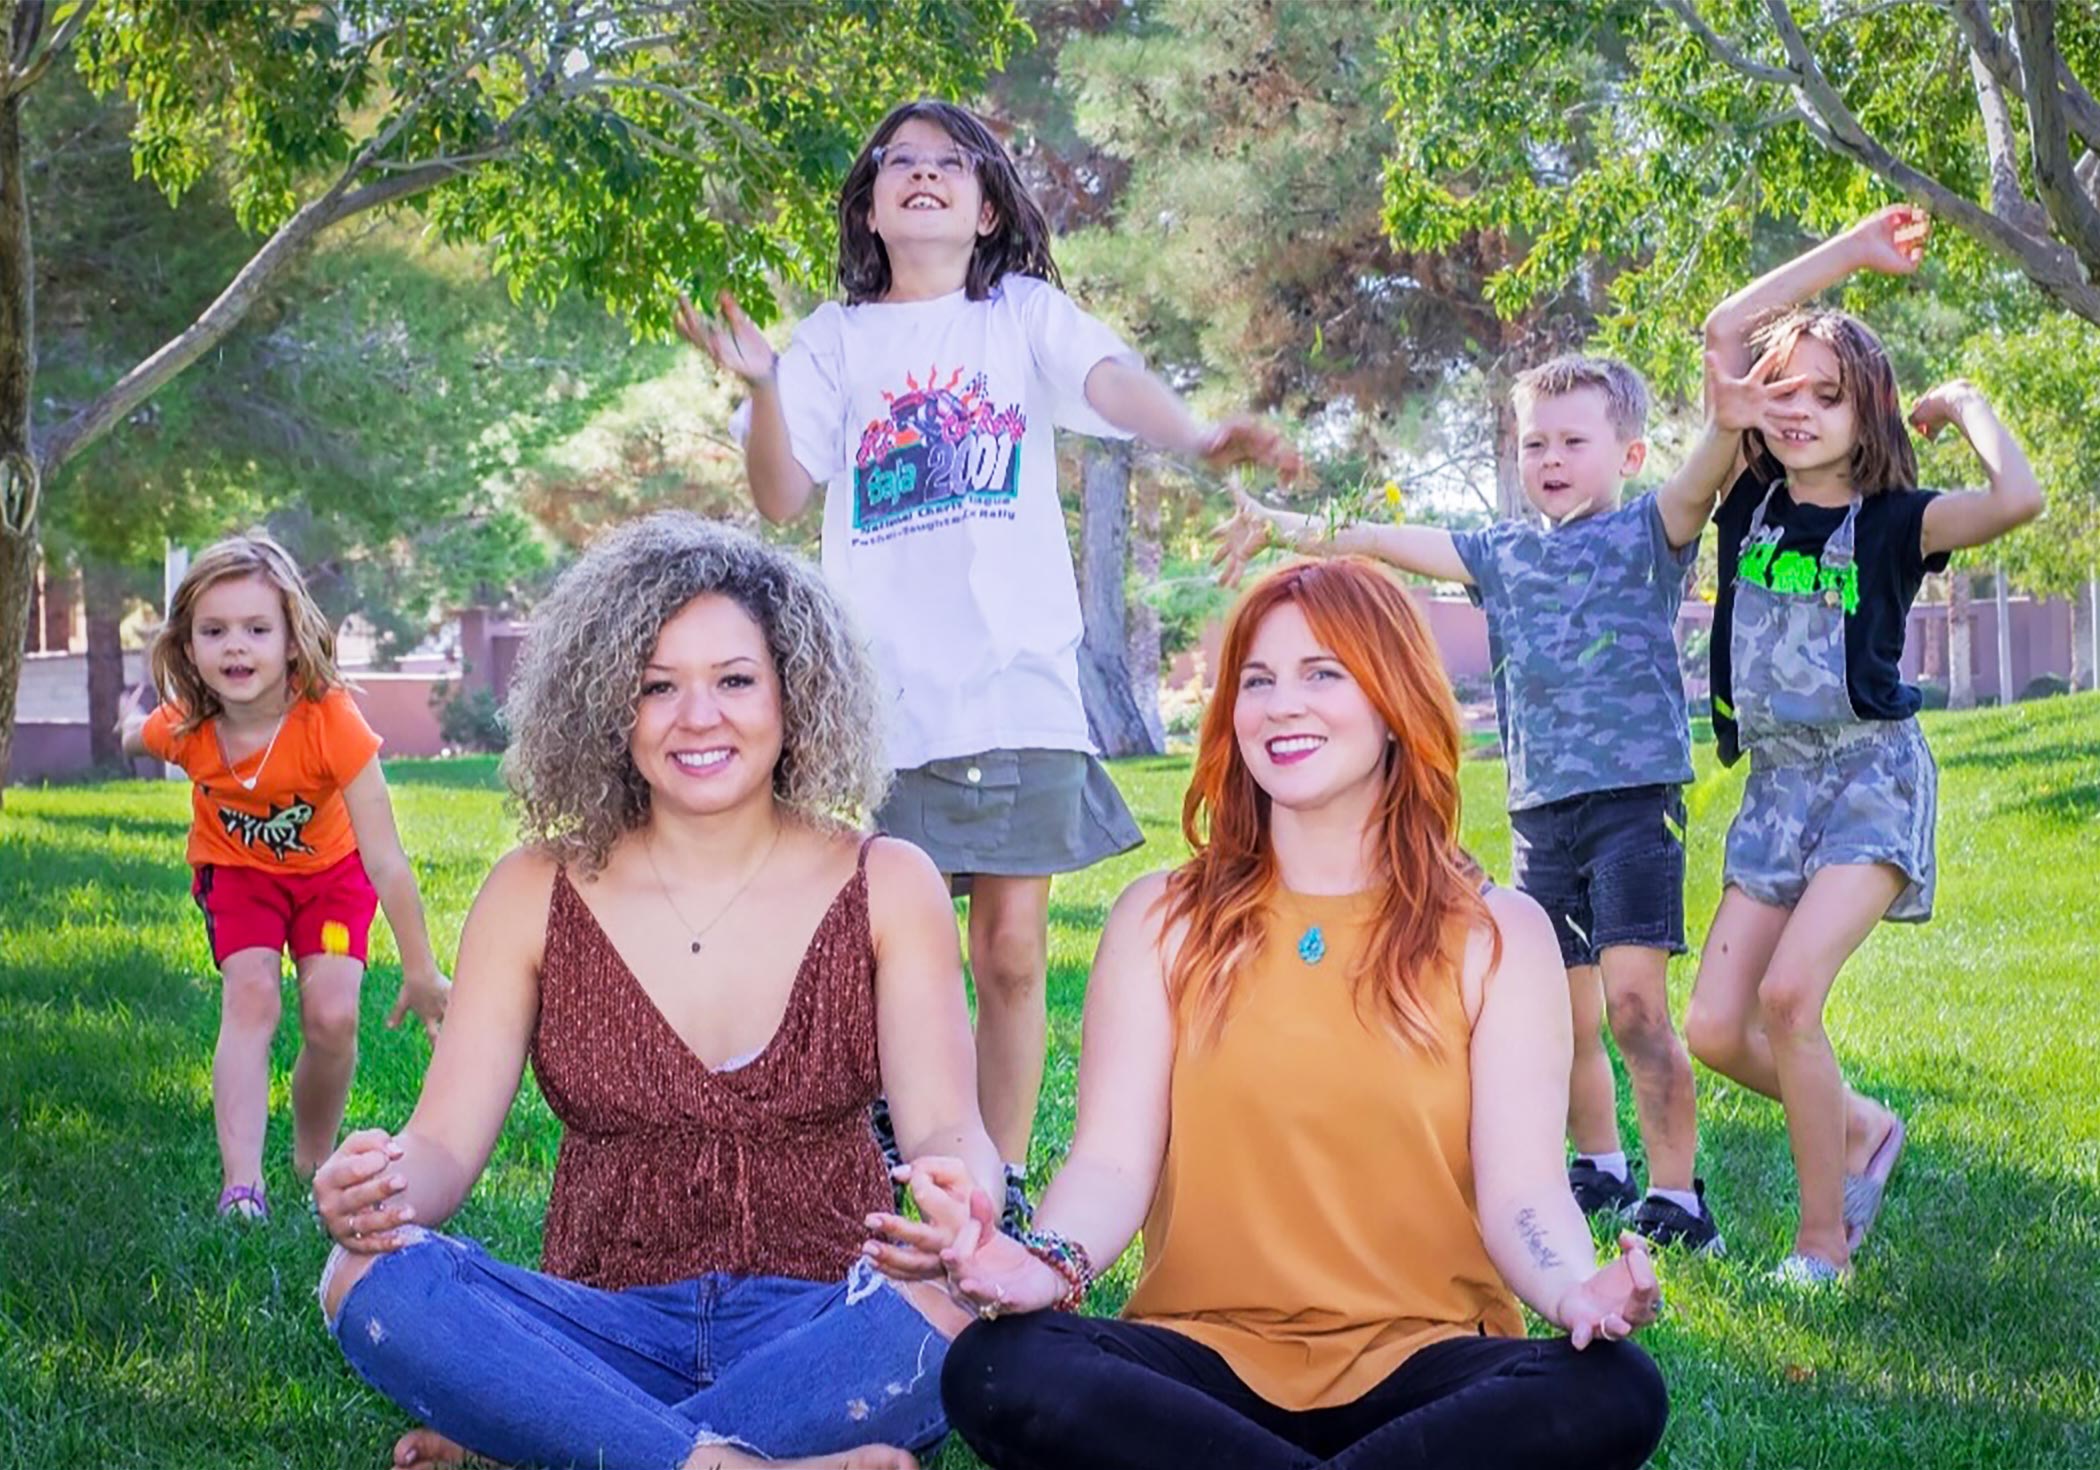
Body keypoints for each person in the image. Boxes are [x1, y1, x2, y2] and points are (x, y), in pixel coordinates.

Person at [867, 558, 1668, 1469]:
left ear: (1394, 697)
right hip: (1200, 1368)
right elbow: (1111, 1162)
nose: (1282, 705)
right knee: (1000, 1366)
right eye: (1257, 681)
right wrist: (1040, 1263)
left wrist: (1574, 1293)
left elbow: (1524, 1191)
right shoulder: (1160, 919)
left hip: (1428, 1366)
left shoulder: (1499, 935)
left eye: (1322, 674)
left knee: (1616, 1387)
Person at [676, 98, 1301, 1226]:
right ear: (869, 207)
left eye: (949, 164)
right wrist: (765, 387)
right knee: (880, 954)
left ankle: (995, 1186)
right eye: (899, 164)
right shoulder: (832, 341)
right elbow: (777, 494)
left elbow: (1111, 384)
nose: (923, 176)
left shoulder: (1021, 316)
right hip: (878, 707)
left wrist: (1197, 434)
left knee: (1010, 954)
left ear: (987, 205)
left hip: (1018, 687)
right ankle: (897, 1151)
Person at [312, 514, 1002, 1470]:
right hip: (600, 1324)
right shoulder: (530, 889)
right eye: (656, 688)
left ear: (793, 695)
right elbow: (440, 1147)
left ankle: (559, 1438)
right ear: (606, 706)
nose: (699, 717)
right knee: (366, 1279)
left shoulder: (890, 880)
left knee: (962, 1306)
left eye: (734, 680)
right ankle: (723, 1460)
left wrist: (965, 1196)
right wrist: (373, 1197)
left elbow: (947, 1131)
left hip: (829, 1318)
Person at [1215, 352, 1800, 1254]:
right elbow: (1369, 539)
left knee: (1636, 1008)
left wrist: (1729, 414)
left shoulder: (1653, 530)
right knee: (1563, 1015)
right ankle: (1600, 1165)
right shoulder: (1501, 552)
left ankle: (1680, 1197)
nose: (1552, 459)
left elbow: (1707, 467)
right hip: (1541, 814)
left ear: (1629, 453)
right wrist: (1280, 524)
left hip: (1633, 806)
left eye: (1574, 440)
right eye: (1534, 443)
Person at [1687, 205, 2044, 1284]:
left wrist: (1971, 405)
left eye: (1824, 395)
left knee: (1791, 1000)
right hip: (1778, 790)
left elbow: (2018, 498)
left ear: (1867, 413)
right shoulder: (1745, 499)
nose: (1796, 409)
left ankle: (1821, 1241)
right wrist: (1848, 256)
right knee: (1714, 1028)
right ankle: (1864, 1128)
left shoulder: (1897, 522)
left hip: (1868, 780)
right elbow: (1724, 325)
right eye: (1780, 389)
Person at [118, 531, 450, 1221]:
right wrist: (128, 724)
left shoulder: (332, 722)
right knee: (251, 999)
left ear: (292, 639)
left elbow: (385, 858)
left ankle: (310, 1158)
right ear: (189, 645)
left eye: (255, 628)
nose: (235, 646)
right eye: (214, 630)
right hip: (238, 877)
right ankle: (242, 1187)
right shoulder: (186, 727)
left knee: (331, 1016)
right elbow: (136, 734)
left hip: (330, 880)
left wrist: (421, 972)